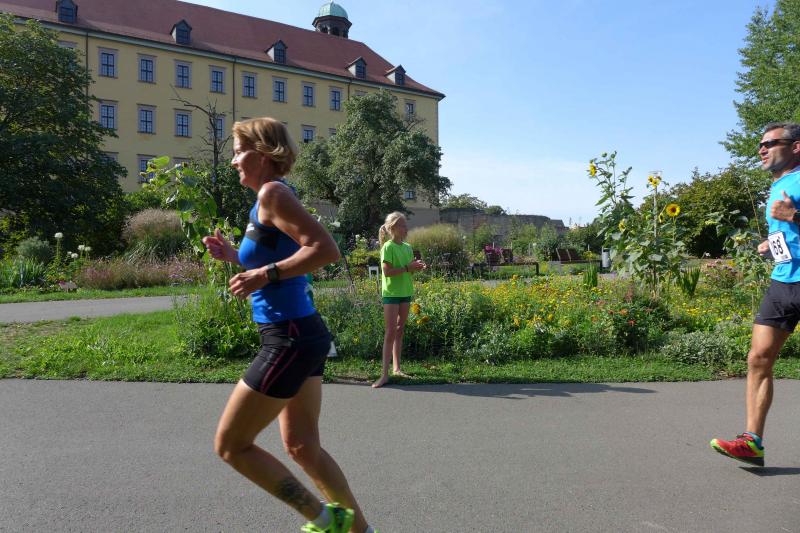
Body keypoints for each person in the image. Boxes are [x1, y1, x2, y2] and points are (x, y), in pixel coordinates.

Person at [202, 117, 376, 532]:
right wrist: (234, 256)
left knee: (231, 445)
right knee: (302, 446)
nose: (233, 161)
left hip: (289, 337)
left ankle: (326, 520)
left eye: (238, 152)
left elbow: (325, 249)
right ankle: (360, 531)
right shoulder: (265, 200)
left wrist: (264, 274)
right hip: (302, 333)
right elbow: (279, 255)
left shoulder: (273, 193)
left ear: (263, 154)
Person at [711, 122, 800, 467]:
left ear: (795, 147)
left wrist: (795, 215)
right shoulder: (779, 185)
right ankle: (752, 442)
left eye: (769, 143)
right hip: (783, 282)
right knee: (758, 358)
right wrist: (772, 244)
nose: (761, 149)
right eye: (759, 145)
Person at [372, 212, 426, 388]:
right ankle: (384, 375)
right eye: (403, 225)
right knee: (390, 332)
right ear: (393, 228)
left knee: (399, 330)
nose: (406, 228)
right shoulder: (388, 247)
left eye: (405, 225)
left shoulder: (408, 247)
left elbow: (408, 270)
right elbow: (387, 272)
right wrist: (408, 267)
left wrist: (417, 267)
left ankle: (397, 369)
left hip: (405, 292)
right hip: (391, 294)